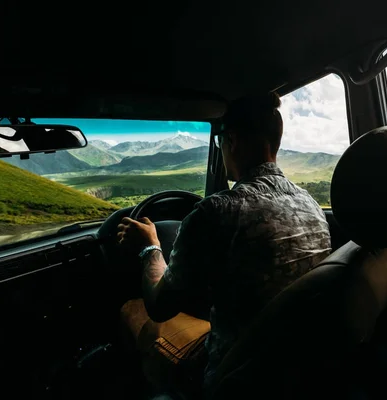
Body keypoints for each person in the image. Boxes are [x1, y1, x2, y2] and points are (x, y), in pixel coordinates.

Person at [117, 92, 332, 395]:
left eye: (220, 143)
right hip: (295, 364)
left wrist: (150, 246)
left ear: (231, 141)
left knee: (133, 310)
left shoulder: (217, 211)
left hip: (232, 374)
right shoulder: (311, 204)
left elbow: (160, 306)